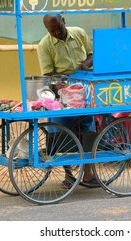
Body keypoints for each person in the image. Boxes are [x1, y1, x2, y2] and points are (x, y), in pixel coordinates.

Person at [37, 14, 97, 188]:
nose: (56, 32)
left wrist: (86, 63)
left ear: (64, 21)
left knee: (87, 129)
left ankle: (88, 173)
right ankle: (69, 175)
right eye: (52, 30)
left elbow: (92, 54)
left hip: (84, 87)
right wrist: (63, 83)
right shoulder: (45, 45)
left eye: (59, 28)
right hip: (60, 90)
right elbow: (48, 73)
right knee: (61, 133)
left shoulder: (79, 33)